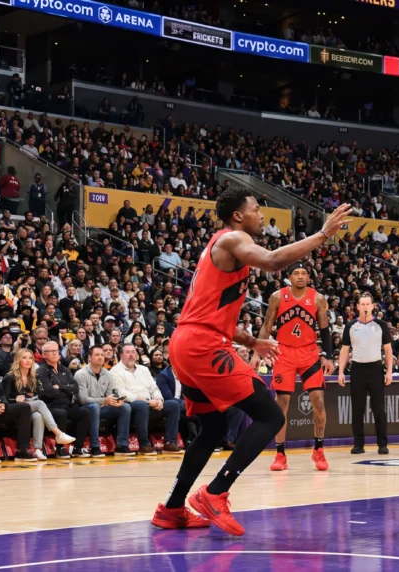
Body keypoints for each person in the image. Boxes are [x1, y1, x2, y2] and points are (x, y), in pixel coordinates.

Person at [154, 189, 350, 535]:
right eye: (256, 209)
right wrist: (323, 234)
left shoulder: (222, 249)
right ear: (238, 216)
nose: (262, 215)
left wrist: (252, 341)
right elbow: (273, 261)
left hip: (187, 342)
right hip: (203, 345)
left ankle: (171, 508)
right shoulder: (233, 239)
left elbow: (212, 312)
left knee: (213, 428)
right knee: (271, 415)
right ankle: (216, 492)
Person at [255, 262, 334, 472]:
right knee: (281, 403)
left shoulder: (318, 299)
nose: (300, 276)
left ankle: (319, 449)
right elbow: (267, 326)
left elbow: (325, 330)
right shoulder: (277, 297)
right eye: (296, 273)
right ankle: (280, 454)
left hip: (309, 353)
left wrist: (329, 357)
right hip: (284, 353)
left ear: (308, 277)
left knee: (318, 400)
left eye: (304, 273)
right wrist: (256, 353)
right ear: (289, 277)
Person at [337, 293, 394, 456]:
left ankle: (382, 444)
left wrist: (389, 371)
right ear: (357, 307)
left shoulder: (381, 325)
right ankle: (358, 444)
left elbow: (388, 349)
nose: (365, 307)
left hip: (376, 368)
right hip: (357, 369)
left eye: (367, 304)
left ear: (373, 306)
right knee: (357, 408)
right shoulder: (351, 326)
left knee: (379, 408)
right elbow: (344, 350)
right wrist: (340, 371)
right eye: (362, 304)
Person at [3, 349, 78, 461]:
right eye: (24, 358)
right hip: (14, 409)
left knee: (38, 415)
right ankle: (58, 433)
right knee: (39, 404)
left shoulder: (33, 377)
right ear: (18, 360)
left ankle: (37, 449)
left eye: (30, 358)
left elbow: (39, 394)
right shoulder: (9, 377)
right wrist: (16, 399)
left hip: (29, 408)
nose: (28, 360)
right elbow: (4, 399)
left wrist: (29, 397)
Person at [112, 343, 182, 455]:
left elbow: (154, 388)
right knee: (141, 405)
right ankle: (144, 444)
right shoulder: (115, 371)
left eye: (133, 352)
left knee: (173, 405)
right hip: (131, 406)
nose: (131, 355)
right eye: (127, 352)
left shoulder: (143, 369)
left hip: (150, 404)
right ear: (121, 355)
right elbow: (121, 393)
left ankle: (170, 442)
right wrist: (147, 401)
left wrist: (159, 399)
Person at [36, 341, 91, 459]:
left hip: (67, 404)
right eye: (51, 351)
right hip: (50, 406)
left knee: (84, 412)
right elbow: (48, 392)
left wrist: (60, 387)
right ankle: (60, 448)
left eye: (56, 350)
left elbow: (75, 388)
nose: (55, 353)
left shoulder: (64, 369)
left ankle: (78, 448)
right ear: (44, 355)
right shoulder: (41, 371)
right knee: (61, 413)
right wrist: (66, 389)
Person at [74, 346, 127, 458]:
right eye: (97, 355)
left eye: (102, 355)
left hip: (102, 407)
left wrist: (116, 401)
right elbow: (83, 399)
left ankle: (122, 445)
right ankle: (95, 446)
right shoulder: (80, 374)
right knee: (94, 407)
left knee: (125, 407)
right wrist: (104, 401)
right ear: (89, 357)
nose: (100, 357)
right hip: (84, 409)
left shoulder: (108, 374)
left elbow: (110, 395)